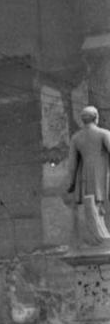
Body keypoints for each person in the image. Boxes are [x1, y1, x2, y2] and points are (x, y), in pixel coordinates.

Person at [67, 105, 110, 246]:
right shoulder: (104, 133)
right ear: (96, 117)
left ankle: (97, 235)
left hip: (85, 174)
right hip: (101, 172)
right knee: (98, 203)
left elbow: (72, 165)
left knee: (91, 203)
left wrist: (71, 183)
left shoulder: (76, 138)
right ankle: (98, 236)